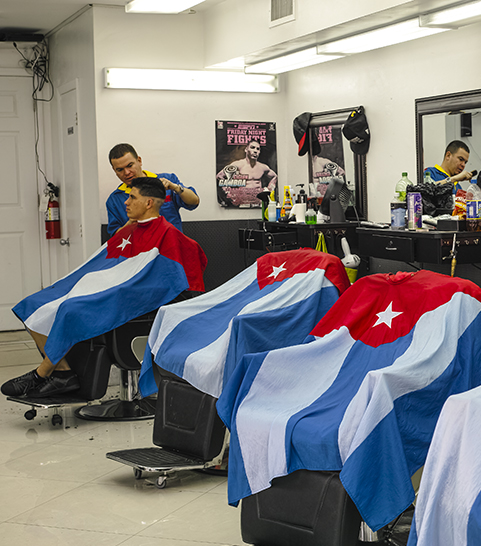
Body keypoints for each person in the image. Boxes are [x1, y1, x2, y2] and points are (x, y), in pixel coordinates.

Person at [2, 177, 206, 399]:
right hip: (111, 287)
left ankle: (41, 374)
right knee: (32, 305)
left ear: (149, 203)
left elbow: (170, 281)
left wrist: (116, 288)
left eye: (132, 197)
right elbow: (105, 264)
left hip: (130, 296)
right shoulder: (130, 230)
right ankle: (62, 373)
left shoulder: (168, 234)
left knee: (70, 308)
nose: (126, 202)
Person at [106, 143, 200, 236]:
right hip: (140, 249)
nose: (126, 172)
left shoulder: (167, 180)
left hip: (172, 246)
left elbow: (194, 201)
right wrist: (131, 222)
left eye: (130, 165)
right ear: (114, 170)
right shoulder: (114, 200)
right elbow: (115, 238)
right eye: (120, 170)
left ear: (139, 161)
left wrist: (176, 188)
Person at [216, 140, 278, 207]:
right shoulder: (238, 165)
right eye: (252, 147)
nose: (255, 151)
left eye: (258, 149)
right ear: (246, 149)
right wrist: (229, 192)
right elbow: (220, 176)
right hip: (243, 202)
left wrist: (269, 189)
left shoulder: (263, 167)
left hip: (258, 202)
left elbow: (275, 177)